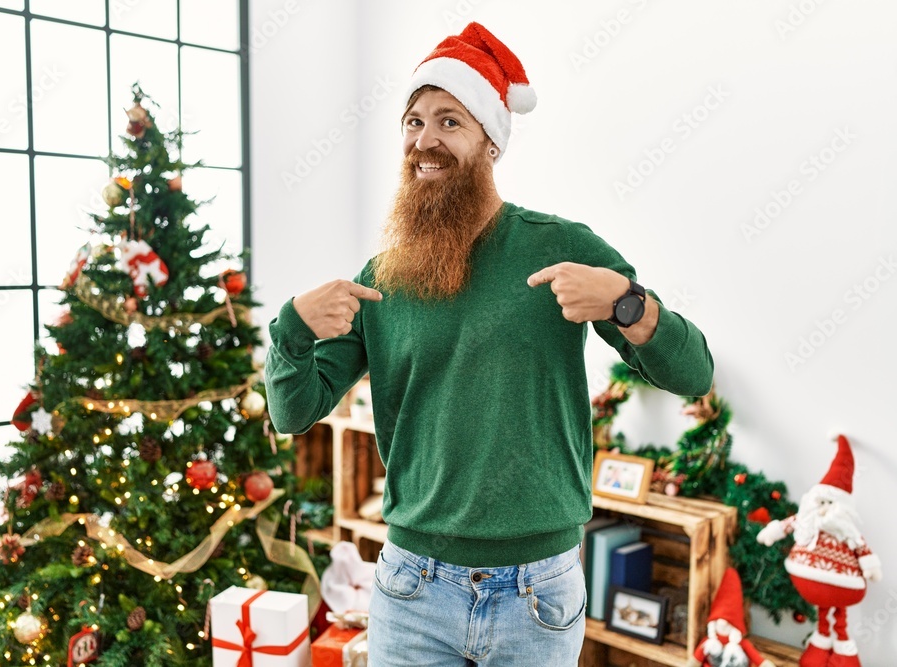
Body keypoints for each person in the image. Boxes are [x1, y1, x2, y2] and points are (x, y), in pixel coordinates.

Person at [265, 22, 713, 667]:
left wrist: (626, 302)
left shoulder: (561, 247)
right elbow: (291, 411)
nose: (425, 140)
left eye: (450, 121)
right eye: (414, 122)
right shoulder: (379, 279)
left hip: (538, 592)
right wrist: (293, 329)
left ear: (491, 141)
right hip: (412, 587)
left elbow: (692, 371)